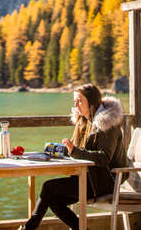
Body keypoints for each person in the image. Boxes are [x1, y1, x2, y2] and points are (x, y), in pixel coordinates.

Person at [21, 83, 127, 230]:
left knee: (48, 188)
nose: (76, 105)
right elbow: (78, 150)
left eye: (80, 101)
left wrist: (73, 150)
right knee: (53, 198)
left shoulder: (106, 124)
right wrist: (60, 151)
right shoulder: (84, 121)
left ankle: (29, 228)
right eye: (74, 102)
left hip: (103, 182)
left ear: (91, 102)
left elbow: (103, 158)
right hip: (87, 177)